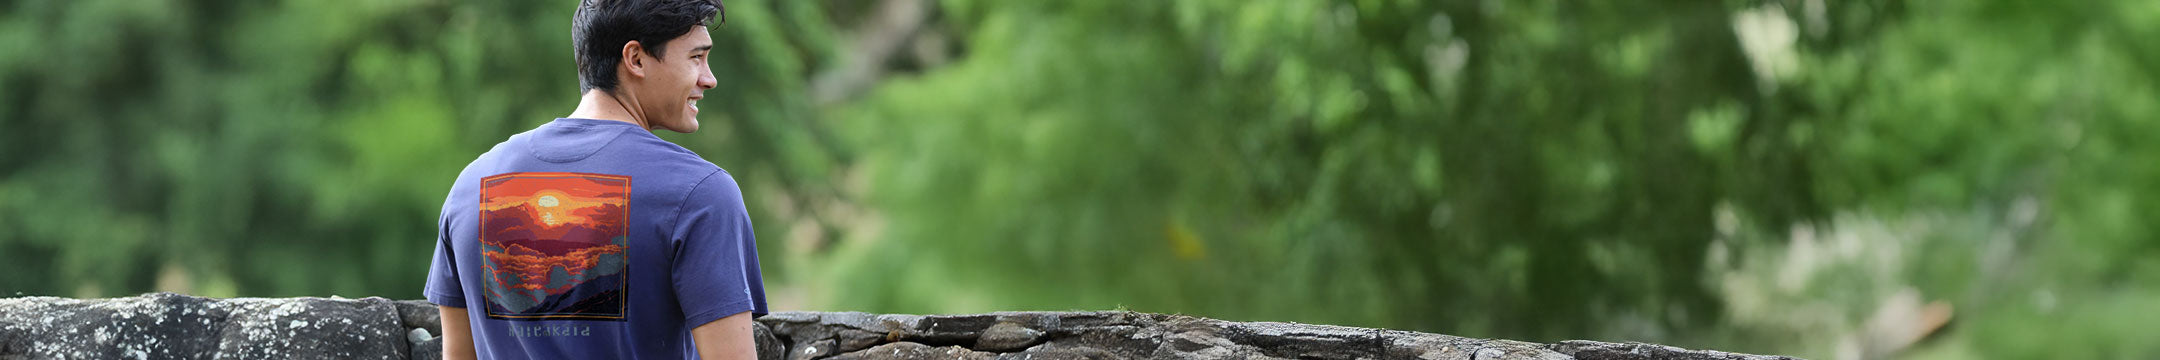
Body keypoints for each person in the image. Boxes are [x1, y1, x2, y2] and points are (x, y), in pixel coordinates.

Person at [422, 0, 766, 358]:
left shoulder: (473, 186)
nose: (709, 79)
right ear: (635, 59)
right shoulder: (700, 193)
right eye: (696, 57)